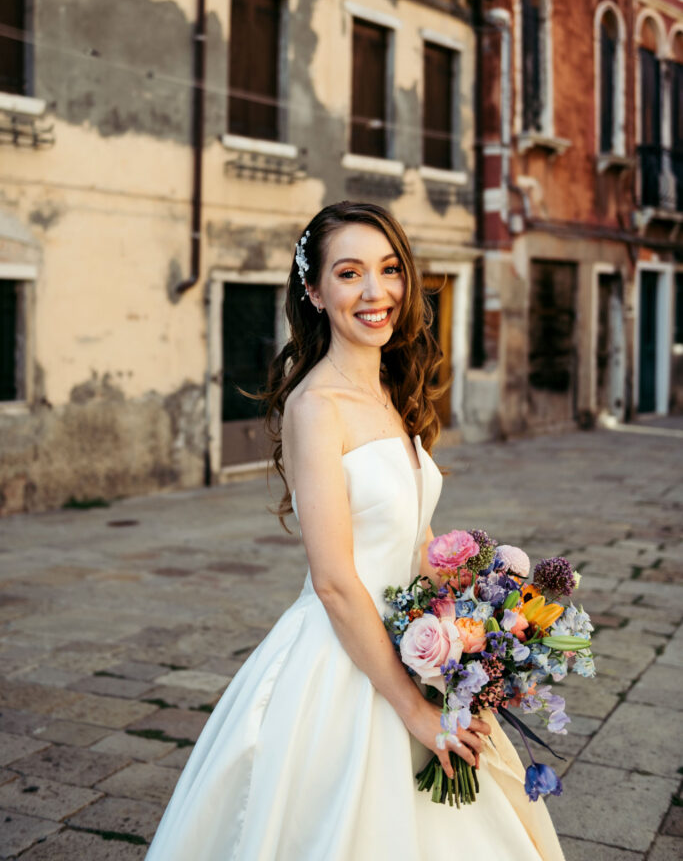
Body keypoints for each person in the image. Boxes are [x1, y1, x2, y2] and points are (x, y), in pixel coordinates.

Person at [145, 202, 565, 860]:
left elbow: (418, 545)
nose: (376, 293)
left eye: (389, 269)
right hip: (343, 664)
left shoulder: (388, 394)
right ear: (313, 291)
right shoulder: (315, 407)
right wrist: (416, 712)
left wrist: (491, 614)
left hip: (414, 645)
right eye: (349, 273)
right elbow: (337, 582)